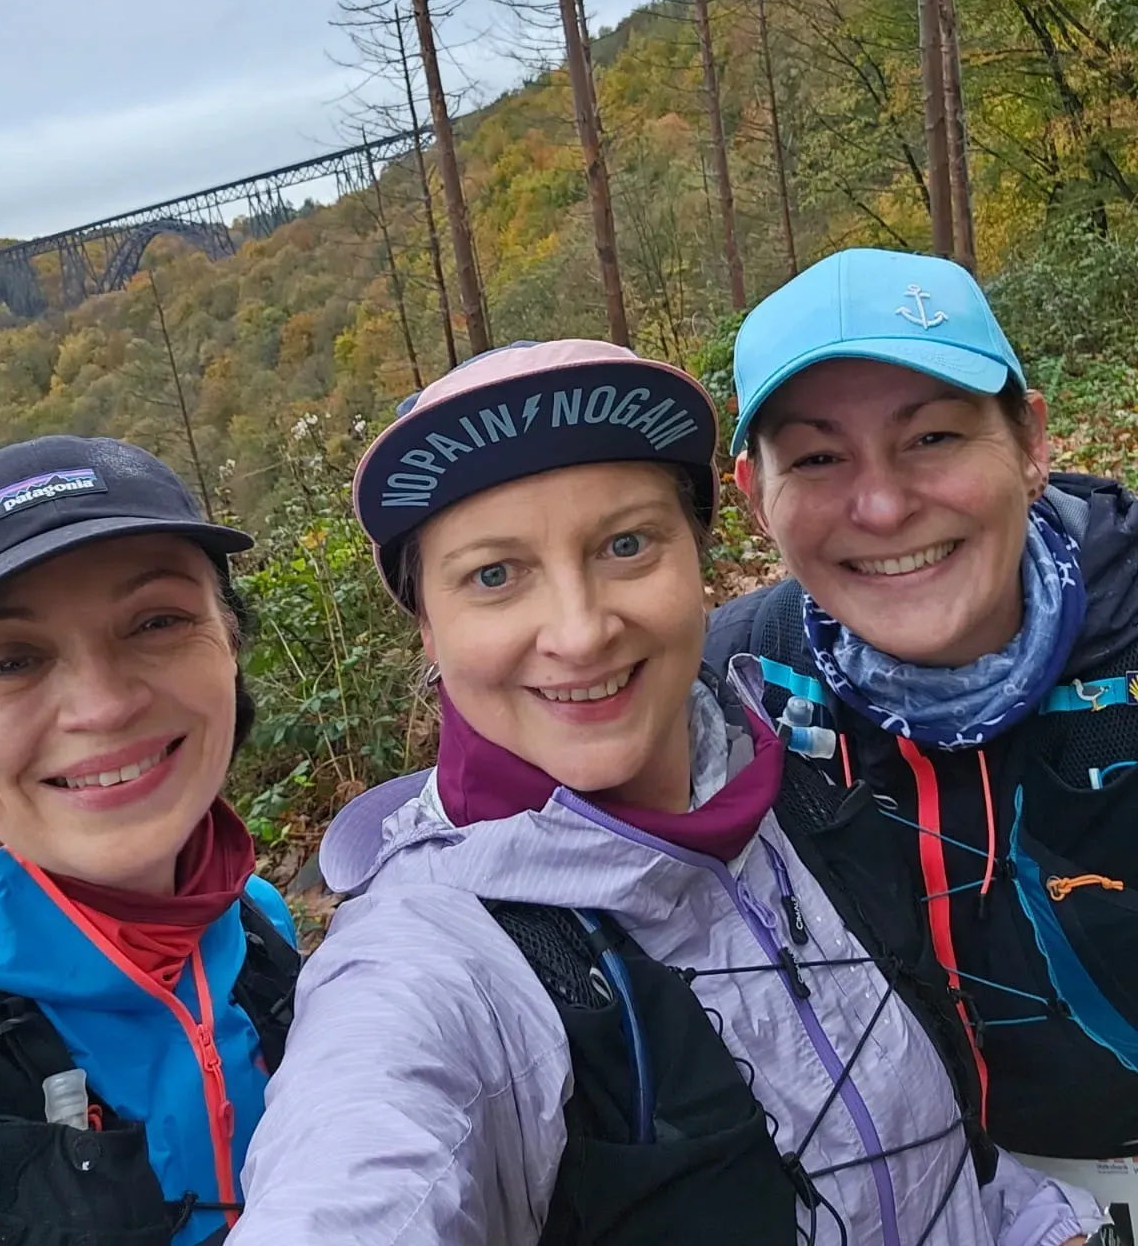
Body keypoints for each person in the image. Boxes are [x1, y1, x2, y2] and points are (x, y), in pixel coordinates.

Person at [231, 338, 1098, 1246]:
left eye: (626, 544)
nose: (579, 630)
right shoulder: (436, 965)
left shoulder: (794, 792)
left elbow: (948, 1168)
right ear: (429, 631)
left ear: (699, 559)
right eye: (495, 575)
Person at [703, 246, 1138, 1213]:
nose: (885, 505)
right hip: (929, 1201)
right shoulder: (731, 689)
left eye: (933, 438)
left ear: (1029, 440)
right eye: (816, 458)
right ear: (751, 497)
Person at [0, 435, 299, 1246]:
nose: (100, 707)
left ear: (231, 646)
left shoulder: (258, 925)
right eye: (9, 662)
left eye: (158, 620)